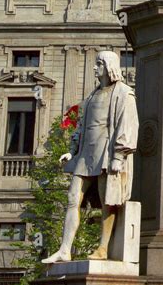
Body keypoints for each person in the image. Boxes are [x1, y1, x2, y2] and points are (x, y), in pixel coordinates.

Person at [42, 51, 139, 263]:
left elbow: (128, 125)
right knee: (72, 198)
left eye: (98, 64)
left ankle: (103, 248)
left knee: (108, 201)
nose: (94, 68)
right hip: (85, 155)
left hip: (107, 153)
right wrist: (72, 150)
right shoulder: (92, 96)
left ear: (108, 66)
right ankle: (65, 249)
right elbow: (81, 127)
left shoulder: (124, 93)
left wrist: (118, 156)